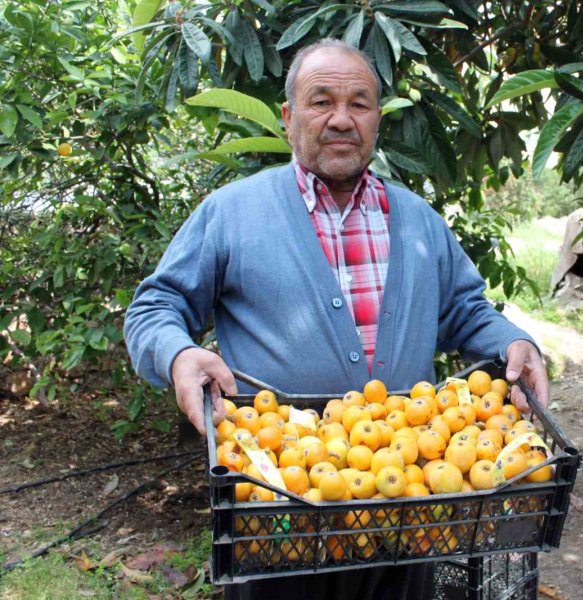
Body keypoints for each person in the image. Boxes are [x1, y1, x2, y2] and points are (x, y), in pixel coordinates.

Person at [124, 38, 549, 600]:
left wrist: (514, 341)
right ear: (288, 117)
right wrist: (178, 354)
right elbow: (156, 307)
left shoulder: (419, 222)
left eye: (360, 103)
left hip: (409, 513)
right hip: (279, 519)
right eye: (321, 101)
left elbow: (466, 310)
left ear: (378, 120)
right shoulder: (232, 214)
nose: (341, 119)